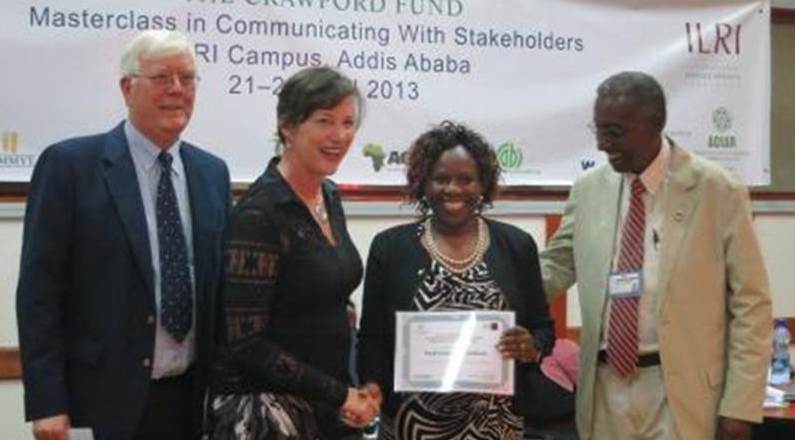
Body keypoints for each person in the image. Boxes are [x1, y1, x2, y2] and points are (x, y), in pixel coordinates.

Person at [16, 30, 231, 440]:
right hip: (98, 402)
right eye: (162, 78)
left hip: (189, 403)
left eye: (187, 79)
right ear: (127, 87)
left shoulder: (211, 173)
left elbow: (218, 290)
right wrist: (47, 404)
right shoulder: (70, 167)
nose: (177, 90)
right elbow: (39, 294)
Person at [539, 71, 772, 440]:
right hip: (604, 391)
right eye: (598, 130)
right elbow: (555, 267)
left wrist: (740, 405)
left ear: (655, 125)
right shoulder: (588, 190)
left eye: (614, 132)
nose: (602, 144)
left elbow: (751, 304)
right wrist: (483, 284)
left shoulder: (716, 190)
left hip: (679, 392)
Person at [209, 66, 379, 440]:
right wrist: (340, 395)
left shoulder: (329, 195)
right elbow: (246, 343)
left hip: (326, 405)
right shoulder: (260, 214)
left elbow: (320, 289)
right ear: (288, 126)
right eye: (324, 121)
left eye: (348, 123)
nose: (339, 136)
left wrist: (353, 388)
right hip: (266, 415)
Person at [357, 121, 555, 440]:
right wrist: (372, 387)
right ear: (423, 183)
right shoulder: (390, 248)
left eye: (466, 179)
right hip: (411, 425)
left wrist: (532, 347)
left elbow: (544, 328)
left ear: (483, 185)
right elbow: (372, 339)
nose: (453, 189)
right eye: (441, 179)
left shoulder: (517, 246)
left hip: (496, 425)